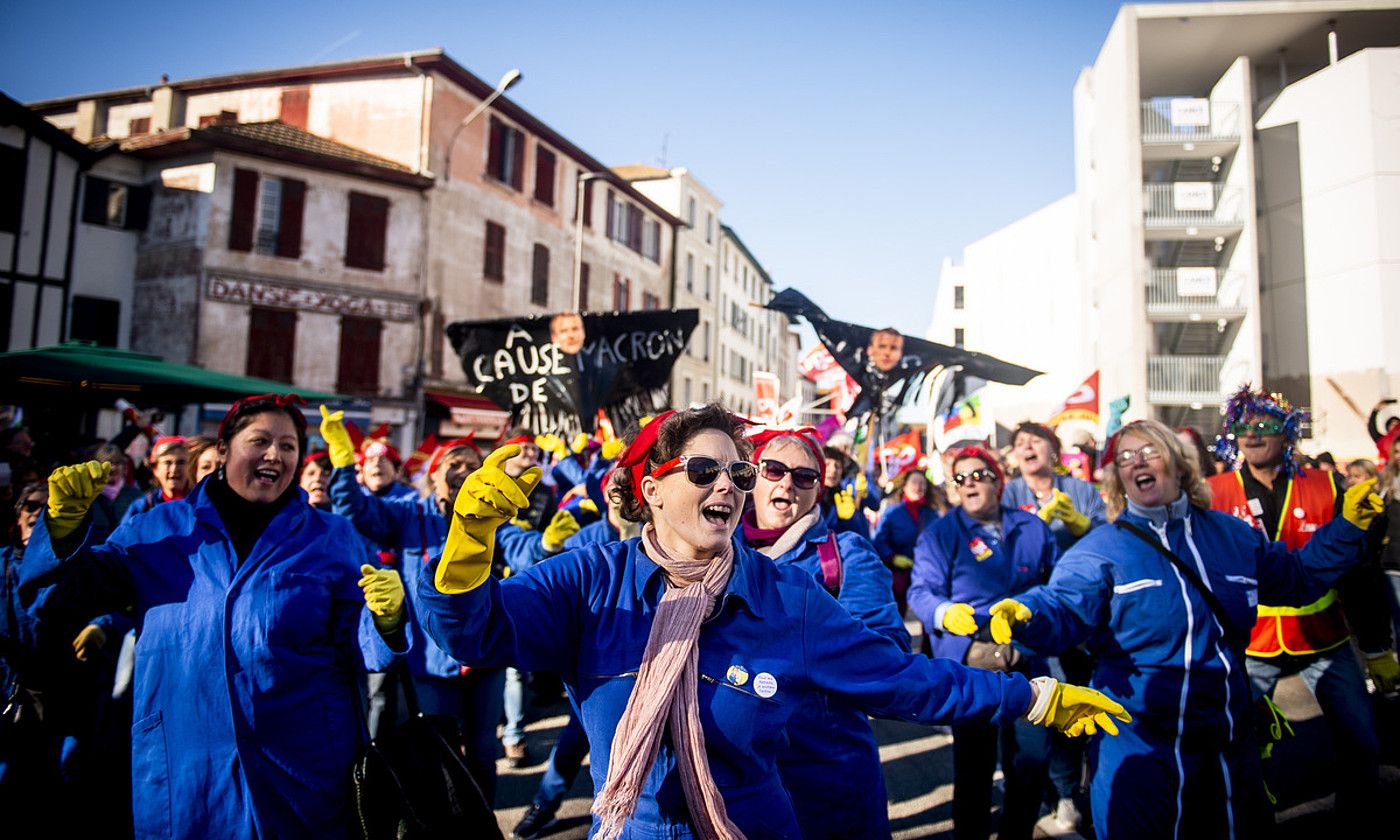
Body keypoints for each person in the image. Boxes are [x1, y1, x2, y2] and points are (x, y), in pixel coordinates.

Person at [415, 403, 1129, 838]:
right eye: (704, 472)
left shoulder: (786, 596)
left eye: (739, 474)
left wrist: (1034, 696)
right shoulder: (590, 578)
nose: (731, 484)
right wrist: (468, 542)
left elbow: (901, 679)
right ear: (650, 488)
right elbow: (473, 633)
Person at [19, 393, 407, 839]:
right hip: (188, 767)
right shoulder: (158, 528)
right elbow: (57, 603)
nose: (274, 455)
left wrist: (386, 620)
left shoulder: (332, 536)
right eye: (260, 440)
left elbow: (358, 643)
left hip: (304, 764)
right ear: (222, 450)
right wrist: (63, 533)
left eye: (288, 446)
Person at [987, 419, 1383, 839]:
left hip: (1228, 743)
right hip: (1139, 747)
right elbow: (1062, 605)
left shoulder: (1231, 536)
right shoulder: (1102, 549)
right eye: (1125, 457)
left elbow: (1297, 576)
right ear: (1119, 479)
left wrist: (1347, 529)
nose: (1136, 462)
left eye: (1149, 452)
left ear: (1179, 466)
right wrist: (1026, 613)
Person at [322, 412, 567, 791]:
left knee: (484, 751)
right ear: (433, 473)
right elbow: (355, 509)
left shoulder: (490, 513)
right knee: (439, 752)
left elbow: (520, 549)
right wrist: (342, 463)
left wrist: (547, 542)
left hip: (483, 656)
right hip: (429, 659)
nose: (465, 471)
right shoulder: (407, 512)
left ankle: (482, 820)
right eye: (455, 464)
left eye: (473, 465)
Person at [1206, 387, 1393, 825]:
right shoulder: (1213, 493)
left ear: (1288, 433)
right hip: (1251, 647)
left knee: (1362, 740)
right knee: (1237, 741)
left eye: (1265, 426)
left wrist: (1379, 648)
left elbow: (1358, 570)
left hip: (1325, 638)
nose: (1252, 436)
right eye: (1242, 427)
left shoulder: (1328, 485)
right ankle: (1251, 817)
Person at [737, 426, 908, 838]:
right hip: (737, 773)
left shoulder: (846, 552)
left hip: (826, 769)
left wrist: (800, 643)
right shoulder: (716, 549)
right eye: (774, 470)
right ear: (752, 478)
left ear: (818, 490)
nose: (788, 484)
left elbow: (887, 650)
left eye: (804, 476)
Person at [909, 446, 1059, 840]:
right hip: (971, 659)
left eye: (979, 475)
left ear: (998, 481)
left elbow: (1057, 586)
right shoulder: (941, 533)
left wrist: (1033, 608)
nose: (969, 483)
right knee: (974, 766)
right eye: (960, 479)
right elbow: (921, 591)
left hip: (1026, 656)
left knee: (1030, 761)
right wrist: (945, 613)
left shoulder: (1032, 528)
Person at [873, 465, 942, 616]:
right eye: (914, 483)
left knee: (930, 615)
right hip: (899, 574)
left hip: (926, 572)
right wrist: (892, 557)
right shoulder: (893, 511)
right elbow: (879, 540)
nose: (918, 487)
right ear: (904, 486)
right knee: (896, 615)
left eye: (922, 483)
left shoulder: (932, 513)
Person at [120, 435, 188, 523]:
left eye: (181, 462)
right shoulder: (142, 507)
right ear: (155, 469)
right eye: (167, 463)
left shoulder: (199, 505)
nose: (174, 469)